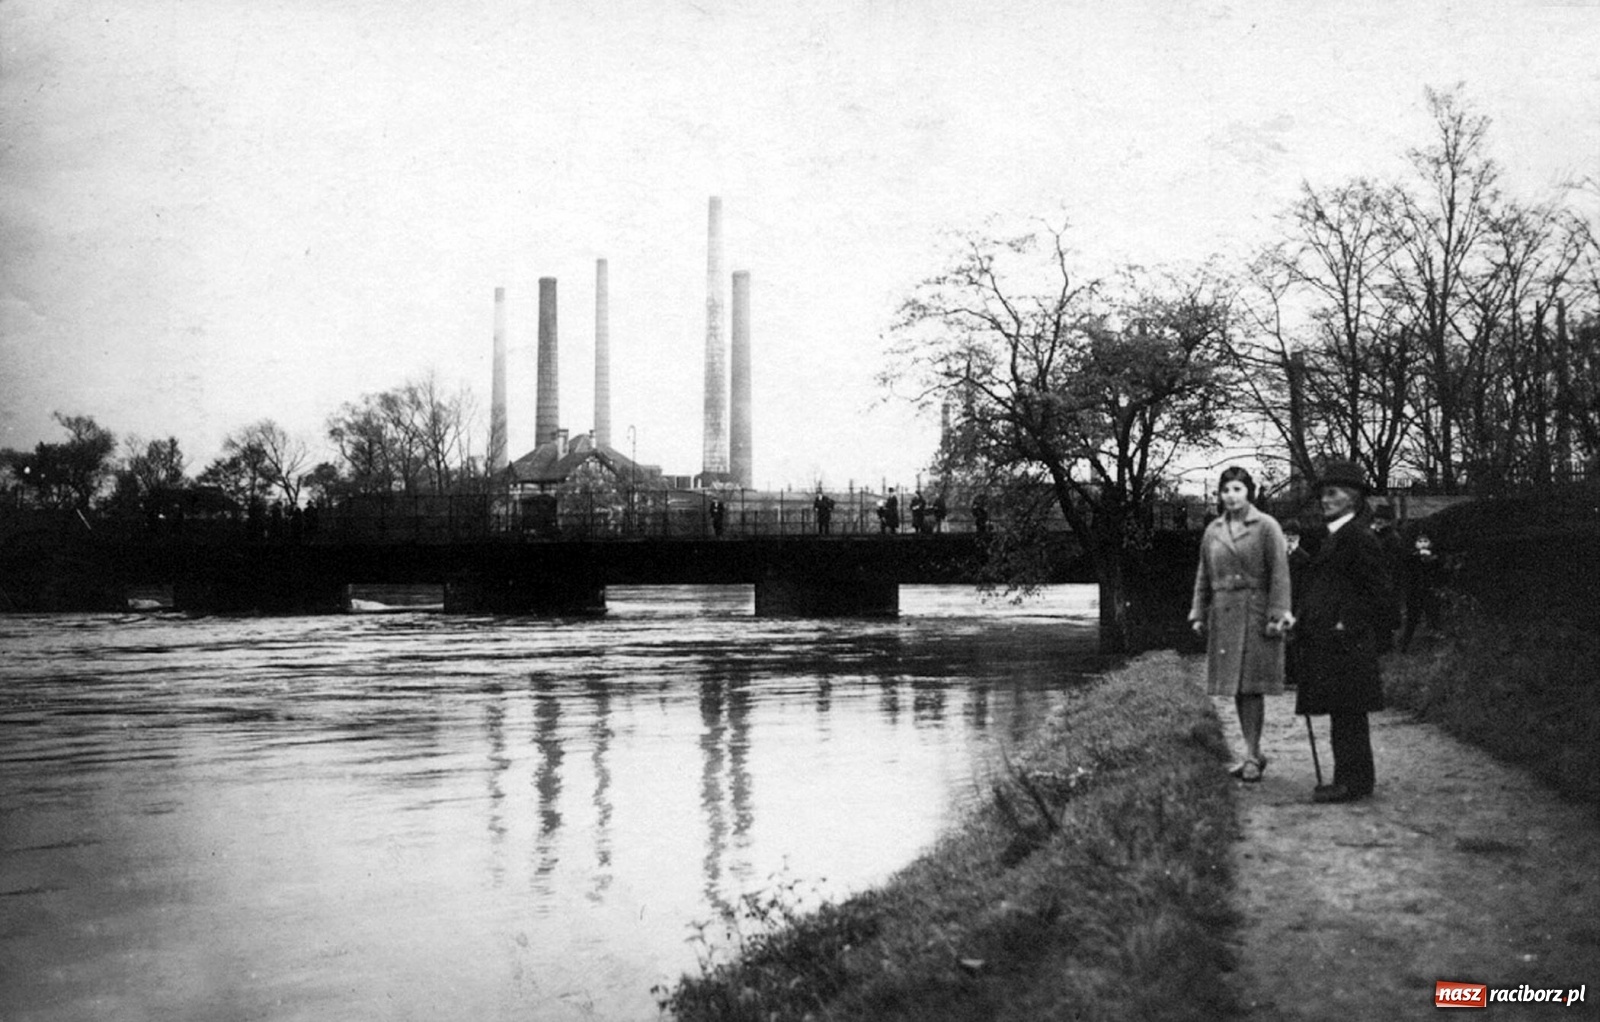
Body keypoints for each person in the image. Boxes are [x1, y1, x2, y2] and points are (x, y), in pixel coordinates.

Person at [1293, 459, 1399, 804]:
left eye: (1332, 493)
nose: (1325, 499)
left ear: (1352, 497)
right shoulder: (1335, 536)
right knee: (1344, 710)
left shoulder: (1358, 537)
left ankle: (1352, 781)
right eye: (1323, 493)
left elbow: (1379, 592)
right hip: (1334, 639)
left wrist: (1348, 622)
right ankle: (1352, 779)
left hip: (1348, 641)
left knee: (1349, 711)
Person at [1189, 466, 1294, 783]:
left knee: (1251, 688)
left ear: (1249, 491)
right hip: (1223, 613)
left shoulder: (1266, 527)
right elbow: (1203, 574)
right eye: (1225, 490)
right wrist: (1198, 612)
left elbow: (1279, 573)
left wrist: (1277, 615)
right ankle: (1253, 752)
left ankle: (1251, 754)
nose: (1231, 496)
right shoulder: (1213, 530)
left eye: (1237, 489)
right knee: (1235, 687)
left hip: (1255, 612)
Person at [1399, 529, 1444, 651]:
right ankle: (1405, 645)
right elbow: (1406, 568)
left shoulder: (1434, 558)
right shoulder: (1411, 558)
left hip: (1429, 592)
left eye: (1425, 541)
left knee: (1433, 617)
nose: (1423, 544)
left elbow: (1439, 573)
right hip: (1414, 593)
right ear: (1415, 543)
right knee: (1412, 619)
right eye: (1420, 541)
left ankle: (1434, 644)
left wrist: (1431, 560)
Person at [1282, 520, 1313, 689]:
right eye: (1285, 535)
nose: (1288, 538)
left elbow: (1305, 584)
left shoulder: (1303, 557)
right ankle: (1288, 674)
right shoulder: (1279, 556)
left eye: (1291, 535)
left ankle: (1297, 675)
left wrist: (1302, 606)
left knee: (1296, 639)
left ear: (1298, 537)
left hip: (1298, 601)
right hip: (1283, 601)